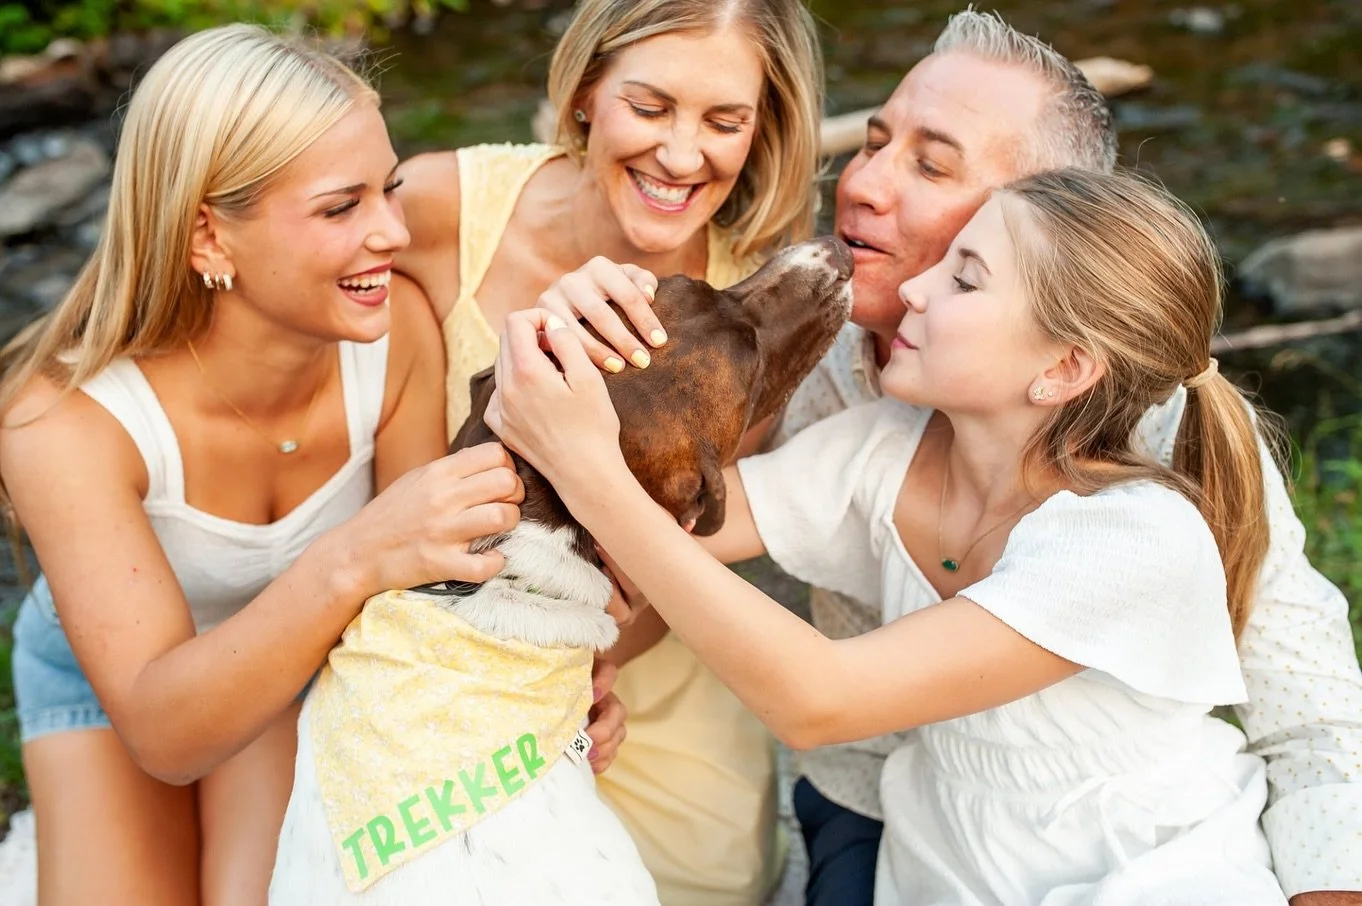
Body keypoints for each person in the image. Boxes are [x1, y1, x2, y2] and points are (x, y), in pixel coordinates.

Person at [532, 10, 1362, 905]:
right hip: (902, 813)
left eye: (931, 166)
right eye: (876, 140)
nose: (862, 186)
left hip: (1124, 863)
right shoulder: (843, 396)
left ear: (1062, 227)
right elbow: (656, 525)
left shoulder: (1159, 449)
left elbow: (1313, 719)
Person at [0, 25, 624, 905]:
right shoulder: (60, 421)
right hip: (122, 691)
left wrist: (555, 678)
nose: (394, 232)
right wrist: (360, 550)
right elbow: (165, 733)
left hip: (309, 659)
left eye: (392, 190)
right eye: (342, 208)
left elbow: (424, 604)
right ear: (210, 237)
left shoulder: (399, 332)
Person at [392, 1, 825, 902]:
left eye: (724, 121)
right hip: (434, 674)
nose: (681, 155)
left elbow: (685, 550)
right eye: (651, 106)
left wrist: (593, 672)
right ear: (588, 88)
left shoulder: (747, 312)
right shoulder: (439, 211)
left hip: (638, 681)